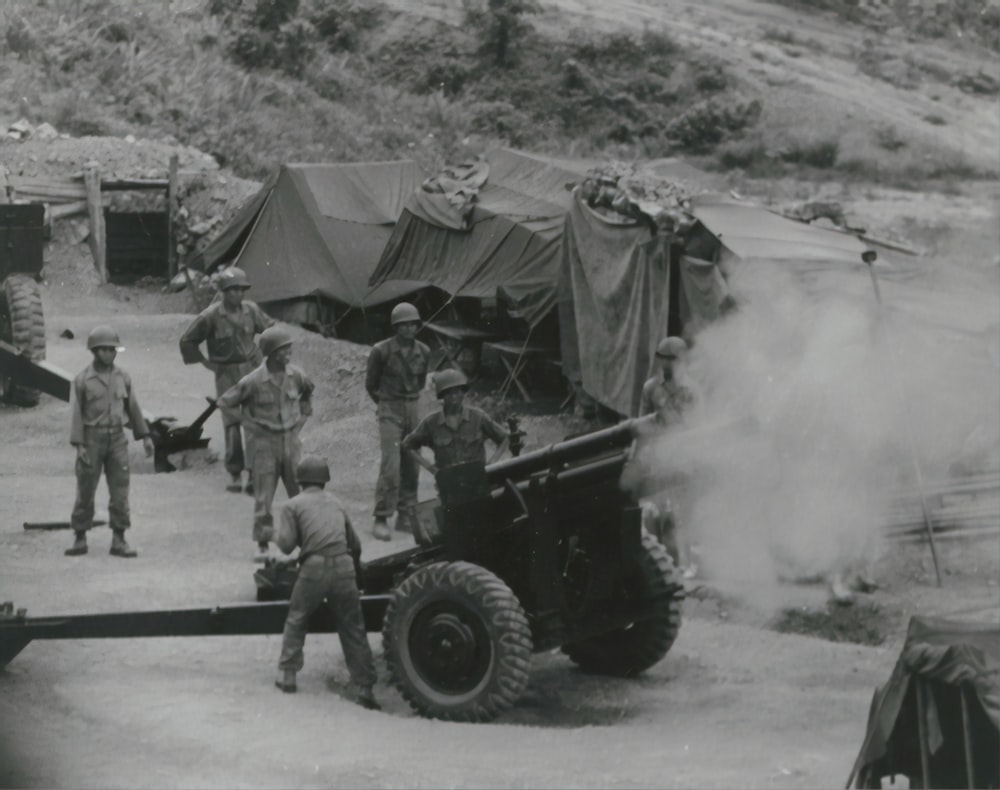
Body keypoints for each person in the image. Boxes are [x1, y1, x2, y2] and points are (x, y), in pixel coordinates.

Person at [273, 456, 380, 710]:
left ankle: (288, 675)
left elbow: (286, 546)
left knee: (298, 616)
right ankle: (365, 687)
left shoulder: (292, 505)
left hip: (314, 567)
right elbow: (355, 545)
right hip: (343, 566)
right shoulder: (337, 503)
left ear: (300, 480)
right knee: (353, 626)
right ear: (324, 480)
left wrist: (275, 536)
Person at [218, 326, 315, 561]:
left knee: (299, 494)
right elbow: (225, 402)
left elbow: (309, 391)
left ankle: (306, 541)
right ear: (270, 353)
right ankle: (262, 544)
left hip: (290, 443)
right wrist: (248, 425)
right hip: (264, 446)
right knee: (264, 496)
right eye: (283, 350)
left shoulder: (296, 375)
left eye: (289, 348)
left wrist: (303, 416)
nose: (288, 353)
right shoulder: (252, 381)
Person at [179, 266, 274, 494]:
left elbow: (271, 330)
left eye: (241, 290)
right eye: (232, 290)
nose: (238, 295)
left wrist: (265, 356)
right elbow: (187, 341)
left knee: (255, 421)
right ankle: (234, 472)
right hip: (226, 373)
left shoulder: (251, 311)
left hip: (251, 369)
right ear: (222, 292)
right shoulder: (210, 316)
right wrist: (204, 361)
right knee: (231, 423)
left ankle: (253, 474)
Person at [65, 325, 155, 558]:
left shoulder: (123, 377)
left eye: (112, 350)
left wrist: (145, 436)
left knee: (120, 490)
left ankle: (119, 538)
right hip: (92, 439)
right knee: (85, 489)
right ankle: (80, 537)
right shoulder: (82, 380)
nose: (109, 354)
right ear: (94, 352)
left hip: (117, 439)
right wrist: (79, 444)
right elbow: (76, 414)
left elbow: (133, 408)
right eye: (103, 350)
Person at [365, 302, 430, 542]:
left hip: (413, 407)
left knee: (412, 464)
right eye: (403, 325)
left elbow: (421, 382)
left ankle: (406, 515)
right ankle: (381, 517)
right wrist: (384, 407)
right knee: (390, 466)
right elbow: (371, 385)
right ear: (395, 327)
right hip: (389, 408)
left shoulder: (424, 351)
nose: (409, 329)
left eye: (413, 324)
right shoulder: (381, 351)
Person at [635, 335, 696, 576]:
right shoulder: (650, 388)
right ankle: (660, 565)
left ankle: (687, 563)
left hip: (682, 456)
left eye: (670, 359)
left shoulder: (690, 390)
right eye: (662, 358)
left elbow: (696, 426)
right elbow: (641, 424)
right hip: (658, 458)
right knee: (655, 512)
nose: (665, 364)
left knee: (684, 514)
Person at [401, 369, 508, 479]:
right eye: (449, 393)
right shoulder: (431, 422)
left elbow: (504, 438)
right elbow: (407, 445)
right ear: (442, 396)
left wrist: (491, 463)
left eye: (457, 392)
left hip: (478, 479)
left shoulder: (478, 417)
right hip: (448, 482)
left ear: (463, 393)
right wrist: (431, 468)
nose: (454, 397)